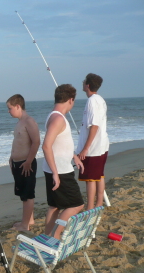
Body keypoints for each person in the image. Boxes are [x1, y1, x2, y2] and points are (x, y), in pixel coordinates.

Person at [42, 84, 84, 240]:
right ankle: (55, 235)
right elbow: (46, 145)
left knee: (55, 206)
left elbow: (58, 144)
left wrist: (74, 155)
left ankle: (47, 237)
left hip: (55, 169)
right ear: (71, 100)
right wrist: (55, 173)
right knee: (76, 205)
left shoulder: (54, 116)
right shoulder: (58, 118)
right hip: (60, 171)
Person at [6, 94, 41, 231]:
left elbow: (36, 141)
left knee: (27, 195)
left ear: (18, 106)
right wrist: (11, 157)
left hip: (26, 164)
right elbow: (19, 143)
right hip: (17, 163)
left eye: (10, 108)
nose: (8, 111)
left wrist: (28, 161)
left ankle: (24, 225)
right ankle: (29, 220)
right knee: (23, 194)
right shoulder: (19, 123)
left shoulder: (29, 121)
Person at [76, 73, 109, 210]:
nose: (82, 83)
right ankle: (99, 203)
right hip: (101, 145)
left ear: (88, 85)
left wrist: (85, 149)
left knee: (90, 178)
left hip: (94, 148)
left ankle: (91, 207)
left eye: (84, 81)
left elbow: (94, 126)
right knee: (99, 175)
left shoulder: (93, 101)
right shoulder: (99, 99)